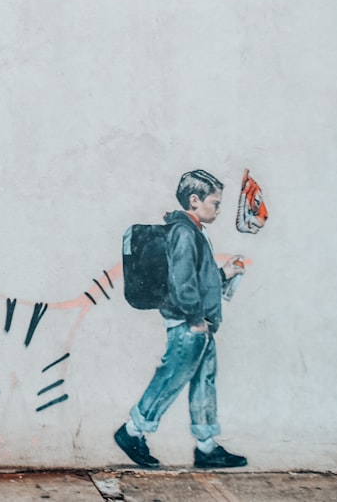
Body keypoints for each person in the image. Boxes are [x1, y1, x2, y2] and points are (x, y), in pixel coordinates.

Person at [114, 169, 248, 469]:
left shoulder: (193, 231)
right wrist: (195, 317)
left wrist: (226, 273)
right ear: (194, 200)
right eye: (215, 203)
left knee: (204, 381)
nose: (218, 209)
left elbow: (200, 279)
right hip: (190, 324)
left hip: (201, 324)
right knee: (171, 378)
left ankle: (206, 446)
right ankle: (132, 432)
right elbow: (183, 281)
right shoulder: (184, 233)